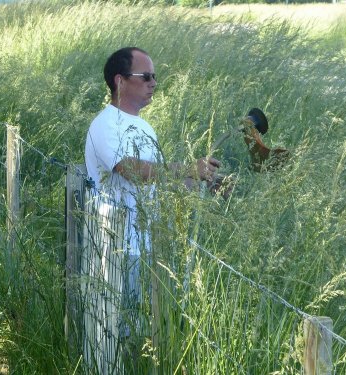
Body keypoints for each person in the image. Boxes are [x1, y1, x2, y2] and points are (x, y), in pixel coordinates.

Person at [83, 47, 221, 372]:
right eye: (145, 76)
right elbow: (129, 169)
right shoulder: (105, 125)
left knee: (140, 337)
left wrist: (204, 180)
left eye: (155, 76)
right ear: (120, 81)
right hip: (115, 248)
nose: (153, 82)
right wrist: (186, 168)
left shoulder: (145, 128)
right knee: (118, 338)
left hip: (145, 248)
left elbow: (155, 182)